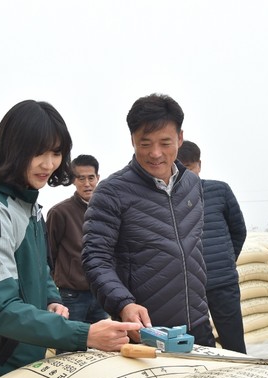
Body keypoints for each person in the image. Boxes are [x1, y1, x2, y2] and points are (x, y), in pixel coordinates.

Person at [0, 100, 139, 378]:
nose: (48, 164)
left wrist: (50, 297)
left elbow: (40, 266)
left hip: (22, 357)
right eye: (38, 152)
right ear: (13, 148)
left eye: (56, 152)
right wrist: (84, 334)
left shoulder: (27, 201)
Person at [82, 93, 215, 347]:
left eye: (165, 143)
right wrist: (123, 303)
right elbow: (95, 257)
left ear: (180, 138)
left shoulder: (192, 184)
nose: (155, 154)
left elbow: (195, 249)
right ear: (132, 140)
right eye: (145, 144)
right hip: (146, 330)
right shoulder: (112, 192)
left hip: (197, 325)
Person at [177, 140, 247, 354]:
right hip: (188, 288)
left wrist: (226, 259)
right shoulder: (168, 199)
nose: (186, 173)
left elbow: (238, 231)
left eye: (190, 167)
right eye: (181, 168)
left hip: (222, 282)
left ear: (199, 165)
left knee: (234, 343)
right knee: (200, 347)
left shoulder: (220, 190)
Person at [46, 154, 108, 324]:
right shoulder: (59, 212)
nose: (87, 184)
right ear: (73, 180)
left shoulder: (107, 210)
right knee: (68, 347)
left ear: (98, 178)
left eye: (91, 178)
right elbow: (47, 254)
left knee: (102, 348)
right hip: (71, 296)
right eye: (81, 178)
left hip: (101, 293)